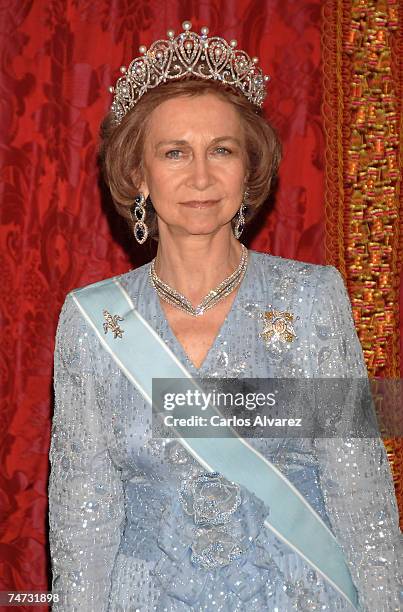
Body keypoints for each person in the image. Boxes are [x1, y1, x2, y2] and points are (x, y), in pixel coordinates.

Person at [48, 21, 402, 612]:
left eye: (222, 149)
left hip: (297, 594)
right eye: (174, 152)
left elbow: (360, 495)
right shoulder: (93, 323)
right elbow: (83, 524)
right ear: (139, 174)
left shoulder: (312, 300)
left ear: (248, 167)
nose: (202, 177)